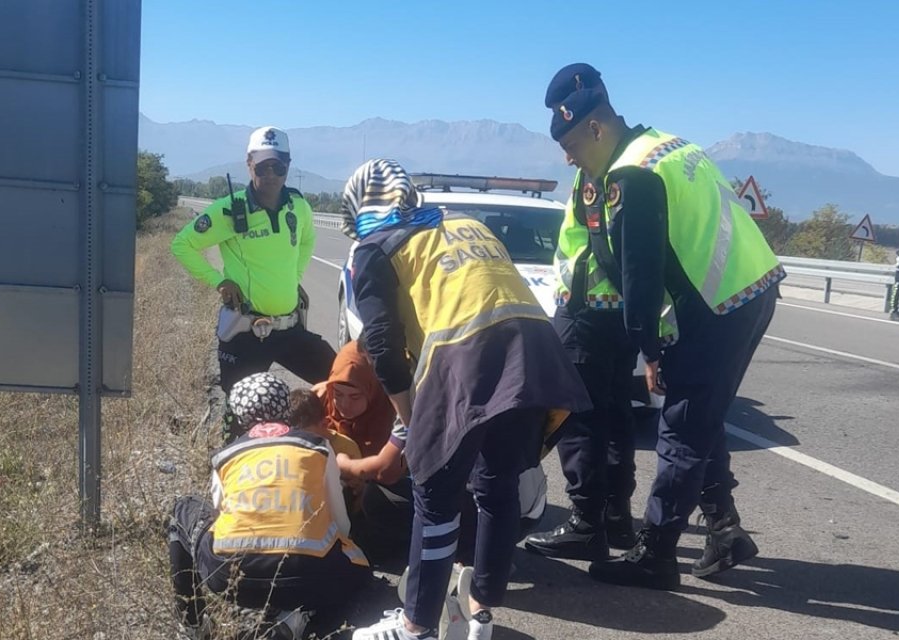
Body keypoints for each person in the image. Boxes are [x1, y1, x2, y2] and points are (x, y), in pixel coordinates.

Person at [543, 63, 785, 590]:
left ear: (596, 129)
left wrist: (649, 352)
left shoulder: (630, 175)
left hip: (715, 305)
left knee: (680, 425)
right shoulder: (664, 145)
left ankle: (656, 554)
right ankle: (724, 530)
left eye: (570, 144)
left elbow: (640, 277)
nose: (567, 158)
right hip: (752, 287)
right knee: (701, 415)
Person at [341, 159, 590, 640]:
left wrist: (412, 421)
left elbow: (383, 349)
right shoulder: (460, 222)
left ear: (359, 210)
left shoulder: (374, 247)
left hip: (466, 358)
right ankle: (480, 616)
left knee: (434, 493)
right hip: (534, 352)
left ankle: (415, 627)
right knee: (498, 488)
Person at [167, 373, 370, 639]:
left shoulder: (226, 456)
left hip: (230, 577)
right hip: (306, 576)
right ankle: (298, 616)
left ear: (241, 417)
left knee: (182, 508)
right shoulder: (317, 447)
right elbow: (340, 521)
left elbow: (221, 516)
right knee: (358, 572)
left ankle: (193, 622)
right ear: (285, 406)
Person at [523, 170, 648, 562]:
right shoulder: (634, 170)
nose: (567, 154)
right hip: (622, 313)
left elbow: (590, 240)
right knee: (615, 416)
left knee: (579, 420)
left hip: (585, 310)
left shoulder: (596, 171)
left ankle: (586, 524)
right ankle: (616, 518)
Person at [169, 126, 336, 396]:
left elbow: (306, 241)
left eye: (277, 167)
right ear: (249, 165)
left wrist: (294, 278)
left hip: (290, 330)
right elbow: (182, 244)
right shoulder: (228, 210)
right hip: (246, 334)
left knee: (343, 381)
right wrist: (218, 281)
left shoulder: (298, 206)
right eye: (262, 167)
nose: (270, 174)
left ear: (288, 166)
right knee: (239, 419)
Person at [312, 340, 397, 457]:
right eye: (338, 394)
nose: (345, 404)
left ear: (371, 392)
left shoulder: (394, 412)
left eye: (355, 397)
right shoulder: (317, 400)